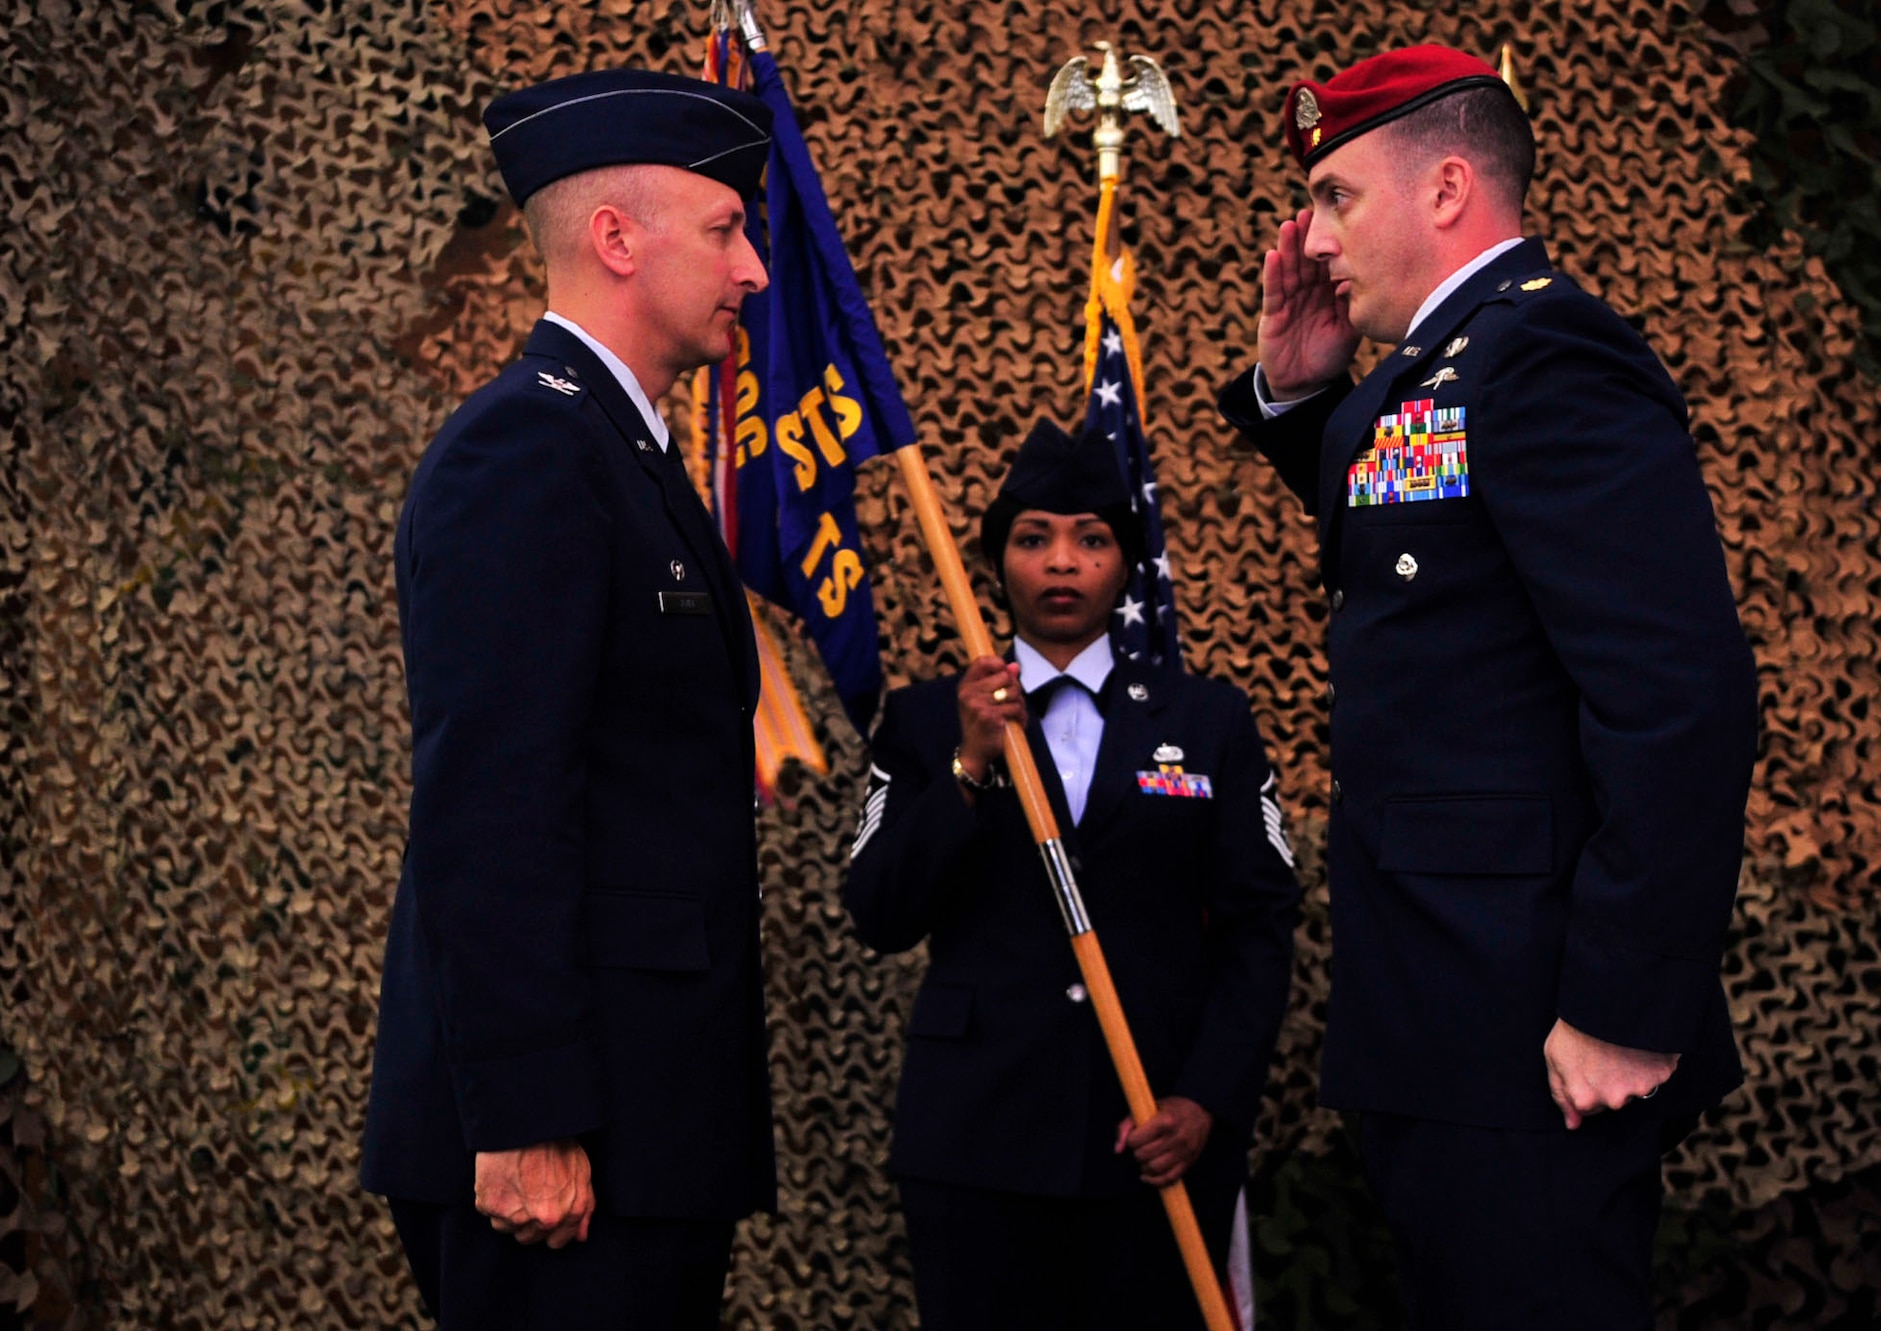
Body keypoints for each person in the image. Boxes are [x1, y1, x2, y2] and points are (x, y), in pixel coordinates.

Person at [1216, 45, 1760, 1330]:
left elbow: (1677, 694)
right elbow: (1435, 561)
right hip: (1442, 1011)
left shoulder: (1546, 353)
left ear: (1448, 187)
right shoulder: (1447, 365)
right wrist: (1298, 398)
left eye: (1337, 195)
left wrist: (1622, 1005)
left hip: (1536, 1028)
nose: (1309, 235)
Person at [359, 69, 777, 1329]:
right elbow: (492, 804)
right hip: (565, 1138)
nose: (752, 267)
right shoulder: (527, 450)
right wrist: (529, 1115)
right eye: (723, 229)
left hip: (646, 1120)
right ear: (615, 237)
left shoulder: (614, 446)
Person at [844, 420, 1300, 1331]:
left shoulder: (1208, 720)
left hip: (1153, 1138)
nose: (1062, 562)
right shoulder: (928, 718)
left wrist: (1205, 1098)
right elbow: (880, 909)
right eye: (1033, 537)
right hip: (979, 1143)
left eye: (1091, 539)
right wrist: (969, 765)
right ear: (997, 559)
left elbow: (1260, 927)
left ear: (1126, 565)